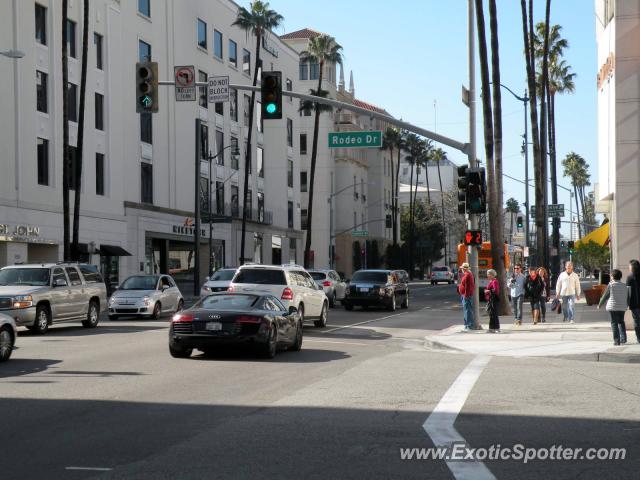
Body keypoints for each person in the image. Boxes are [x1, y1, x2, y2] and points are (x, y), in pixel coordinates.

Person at [598, 269, 629, 346]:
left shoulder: (611, 285)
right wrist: (627, 305)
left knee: (614, 323)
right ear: (620, 277)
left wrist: (599, 304)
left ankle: (616, 340)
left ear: (612, 277)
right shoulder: (624, 286)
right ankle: (623, 339)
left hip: (613, 307)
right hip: (622, 307)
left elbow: (605, 296)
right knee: (621, 322)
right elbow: (627, 297)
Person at [626, 259, 640, 343]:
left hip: (634, 303)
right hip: (635, 303)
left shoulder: (630, 277)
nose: (629, 267)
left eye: (629, 265)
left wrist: (627, 303)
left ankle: (639, 338)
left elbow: (628, 292)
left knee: (636, 321)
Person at [458, 262, 475, 332]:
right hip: (464, 295)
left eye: (462, 268)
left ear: (464, 269)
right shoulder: (466, 274)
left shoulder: (468, 275)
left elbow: (468, 287)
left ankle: (469, 326)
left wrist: (466, 295)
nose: (461, 269)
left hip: (466, 295)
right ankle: (466, 325)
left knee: (467, 311)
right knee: (466, 311)